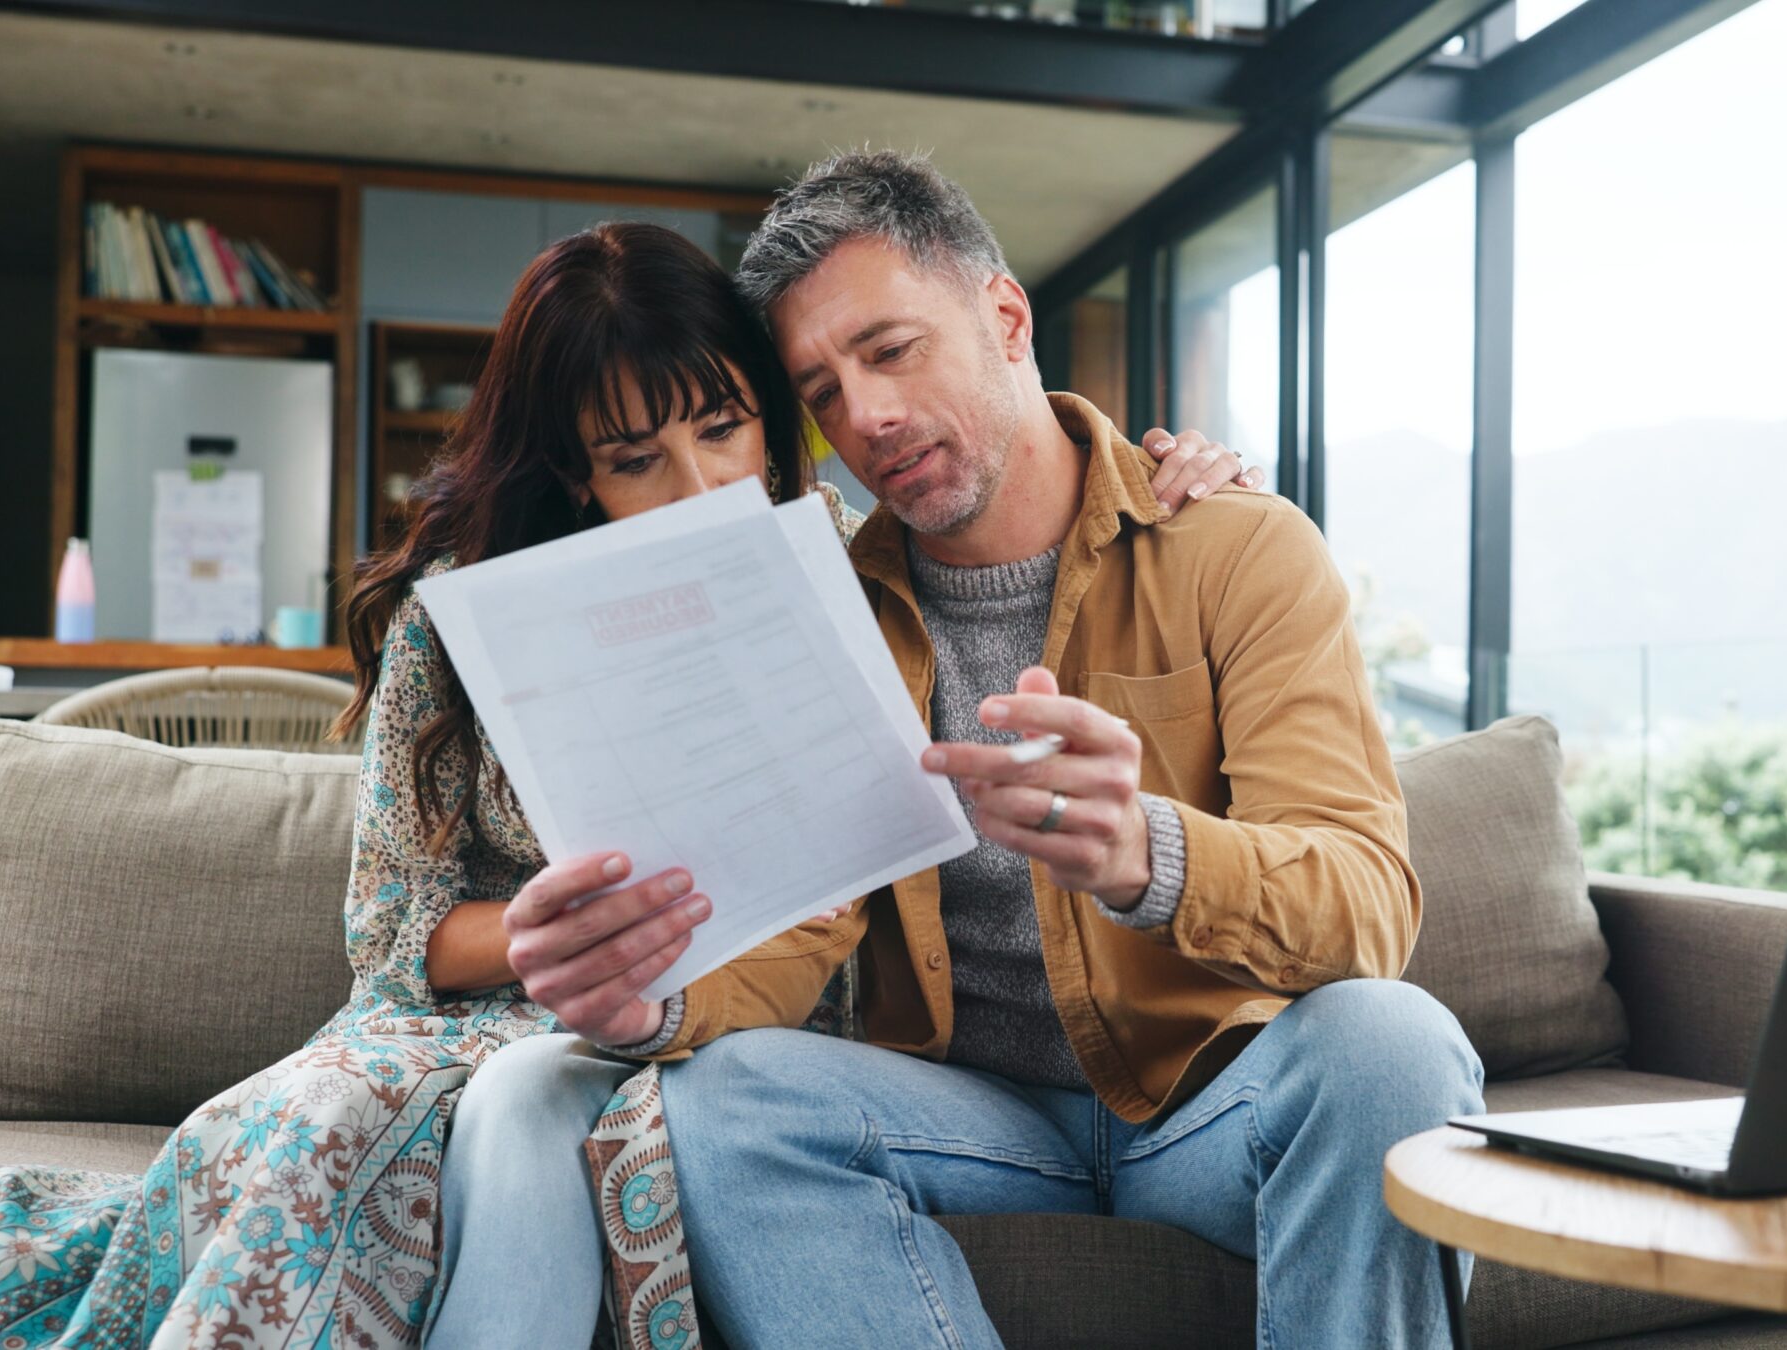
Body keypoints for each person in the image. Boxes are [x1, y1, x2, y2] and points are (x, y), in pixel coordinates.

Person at [0, 220, 1244, 1350]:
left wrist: (1177, 469)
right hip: (505, 1009)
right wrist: (550, 935)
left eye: (726, 428)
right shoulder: (463, 616)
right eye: (632, 457)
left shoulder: (862, 568)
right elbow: (393, 927)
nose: (697, 486)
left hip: (765, 1026)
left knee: (550, 1108)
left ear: (777, 422)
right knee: (351, 1113)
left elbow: (1026, 517)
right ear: (574, 473)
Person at [437, 151, 1484, 1349]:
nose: (866, 419)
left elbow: (1365, 907)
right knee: (722, 1103)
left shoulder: (1240, 549)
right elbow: (803, 938)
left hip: (1216, 1096)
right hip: (969, 1114)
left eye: (890, 350)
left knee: (1394, 1044)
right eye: (821, 392)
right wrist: (642, 1005)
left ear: (1003, 315)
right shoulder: (814, 604)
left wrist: (1151, 855)